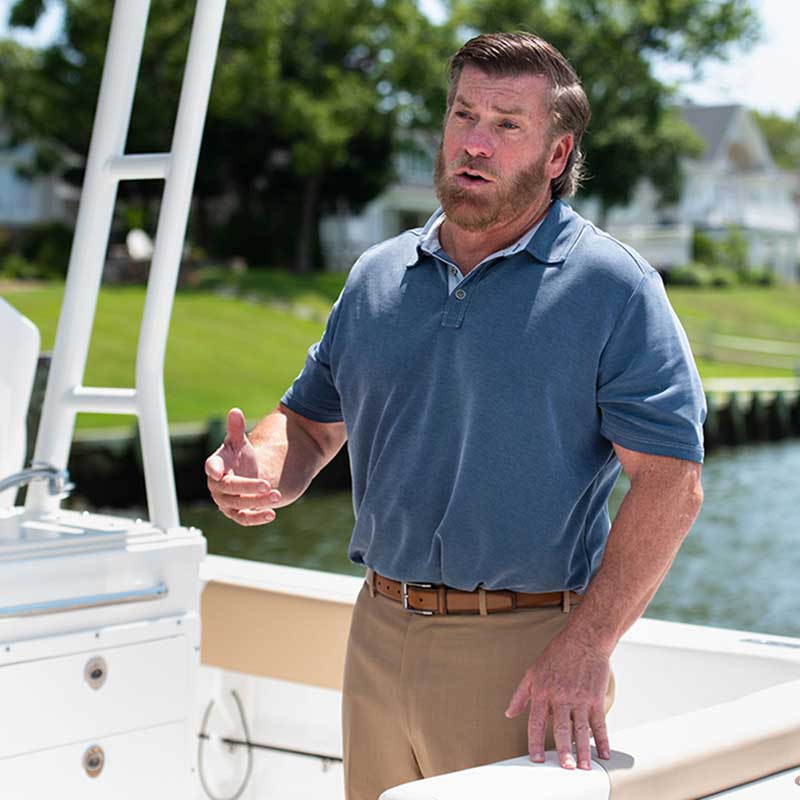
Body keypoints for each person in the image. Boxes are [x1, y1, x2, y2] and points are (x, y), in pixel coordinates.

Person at [206, 31, 706, 800]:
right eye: (463, 115)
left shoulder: (615, 288)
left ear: (555, 152)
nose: (474, 142)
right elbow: (309, 424)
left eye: (507, 124)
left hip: (524, 658)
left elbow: (672, 483)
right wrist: (261, 470)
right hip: (375, 631)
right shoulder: (378, 276)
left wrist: (588, 645)